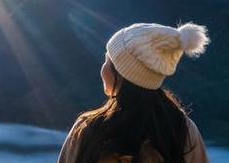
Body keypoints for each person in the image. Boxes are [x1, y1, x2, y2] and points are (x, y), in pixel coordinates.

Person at [57, 22, 211, 163]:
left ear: (122, 74)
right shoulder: (181, 130)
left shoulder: (88, 130)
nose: (102, 69)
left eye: (107, 61)